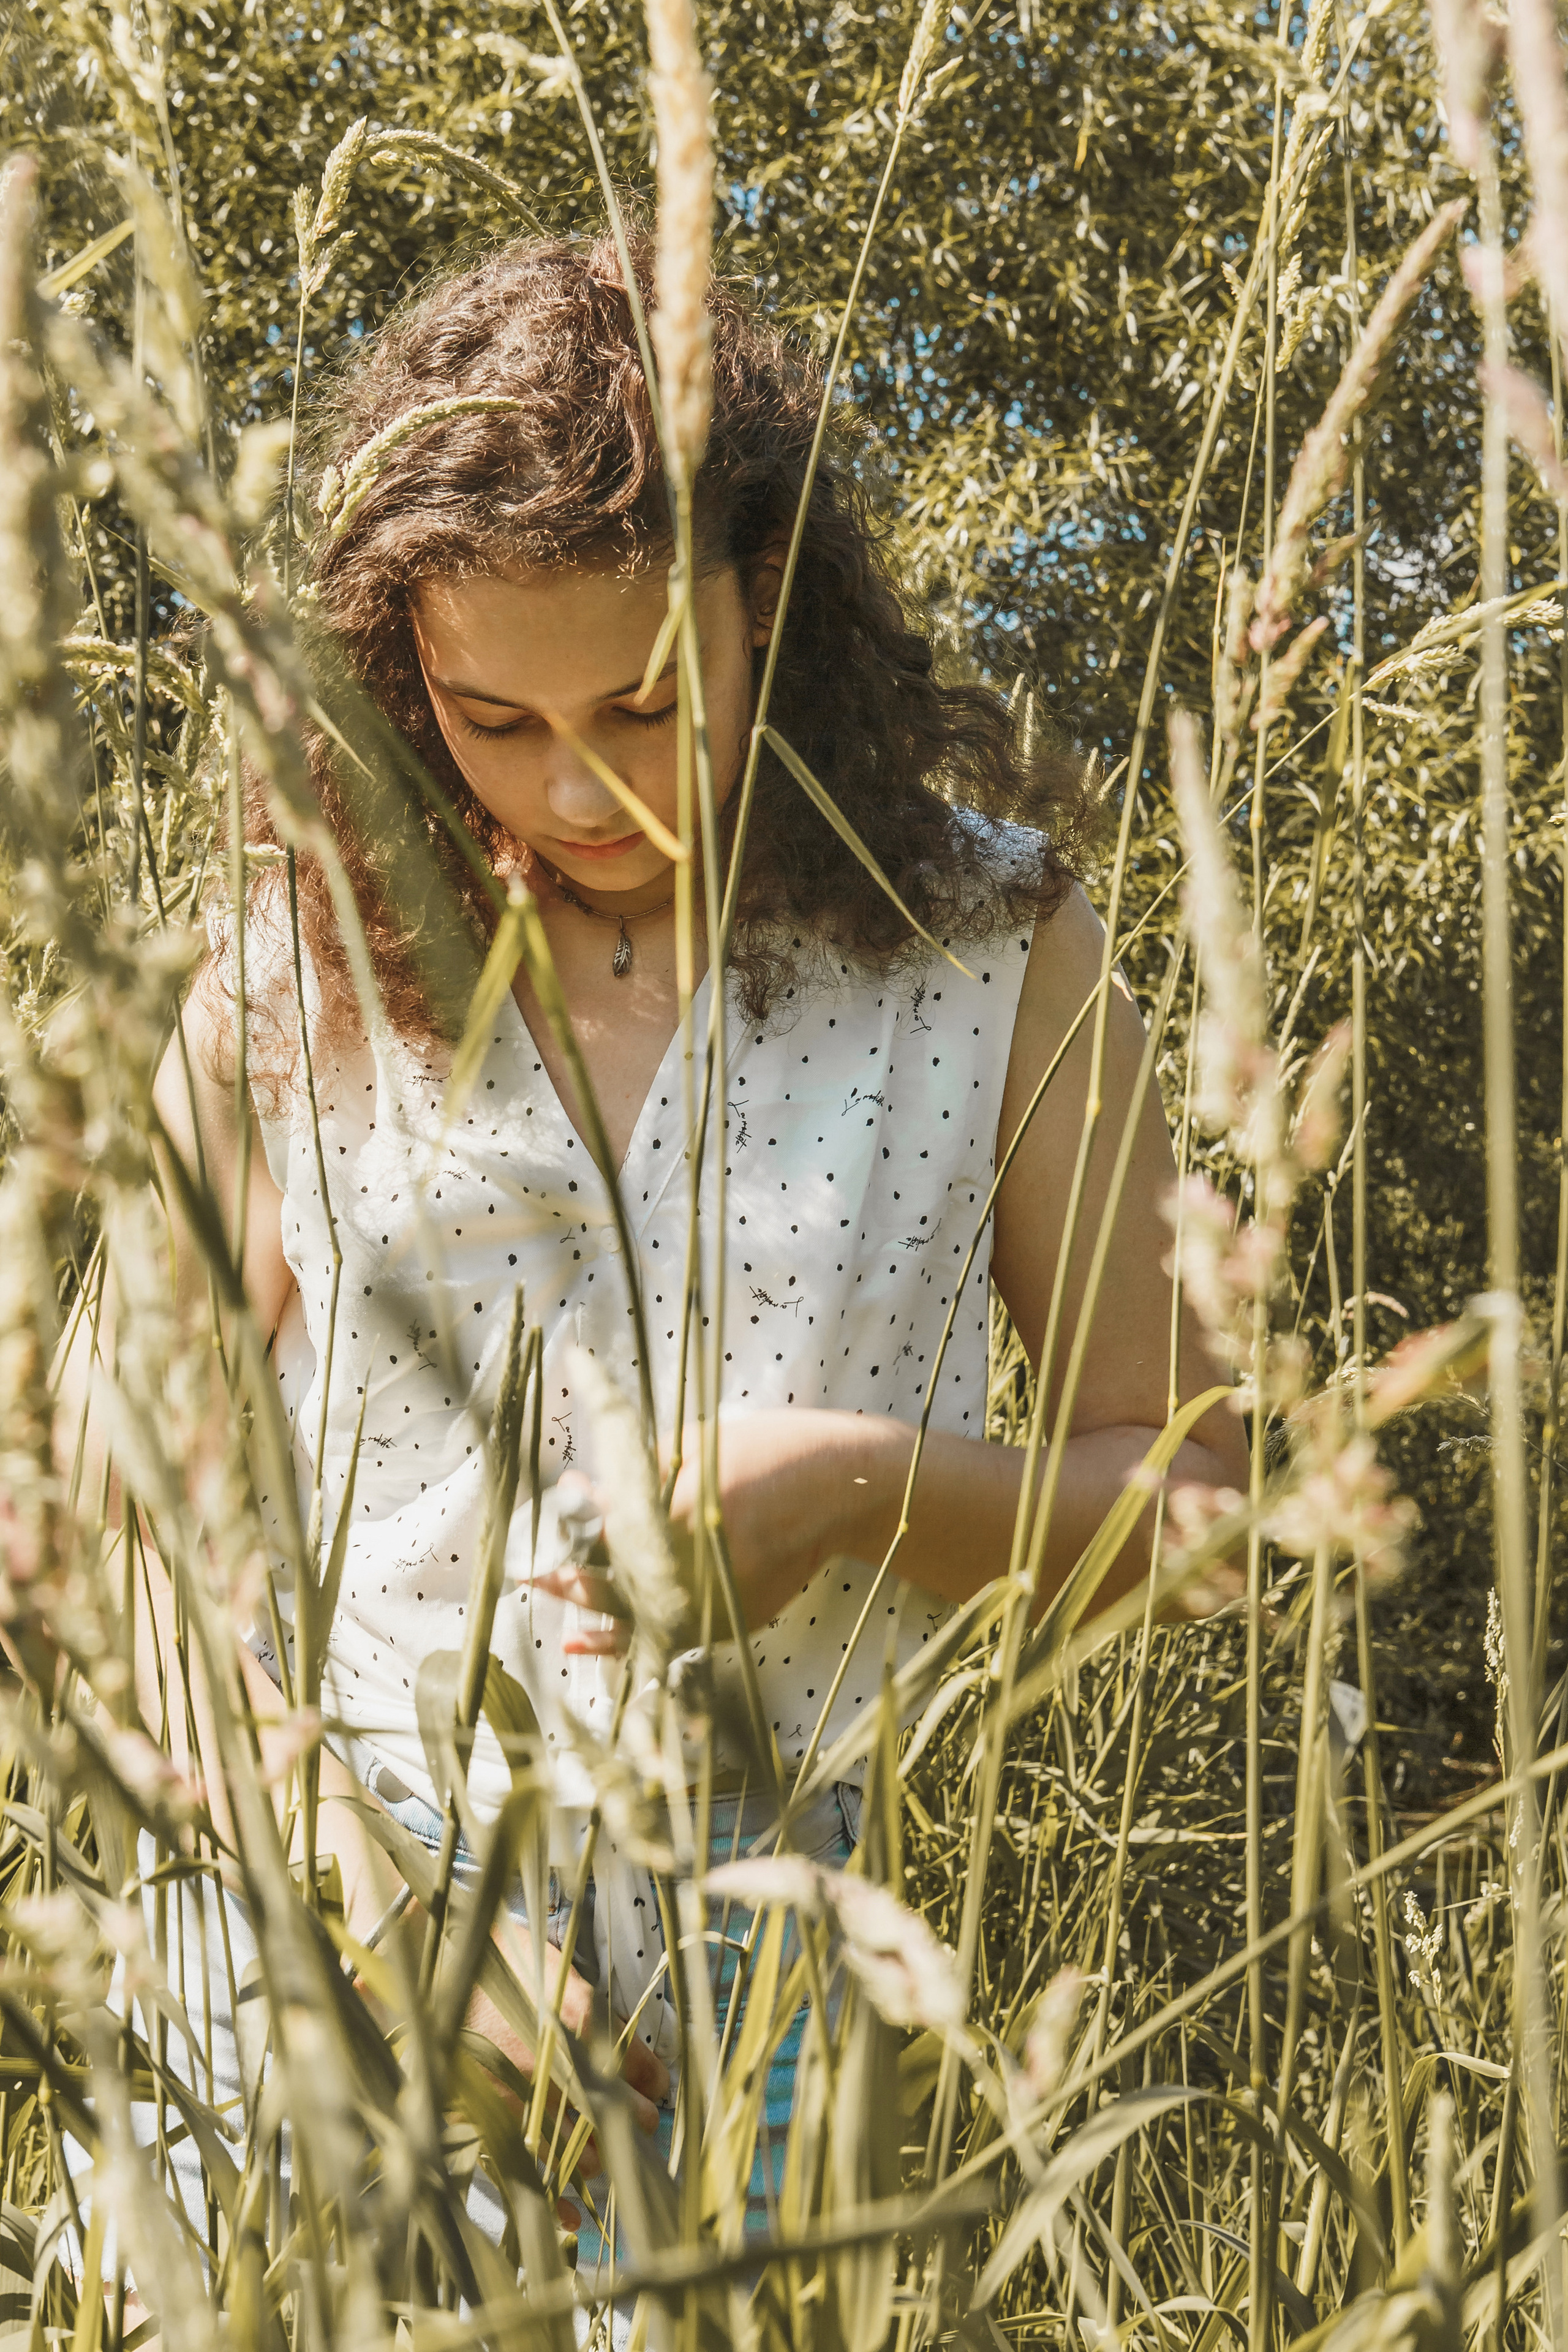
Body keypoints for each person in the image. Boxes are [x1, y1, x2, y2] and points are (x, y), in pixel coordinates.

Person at [74, 229, 1247, 2278]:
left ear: (765, 599)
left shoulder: (992, 960)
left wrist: (856, 1494)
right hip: (305, 1943)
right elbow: (104, 1525)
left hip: (776, 1959)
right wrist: (396, 1917)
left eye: (641, 697)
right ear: (395, 664)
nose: (575, 784)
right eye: (487, 715)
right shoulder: (293, 967)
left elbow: (1215, 1508)